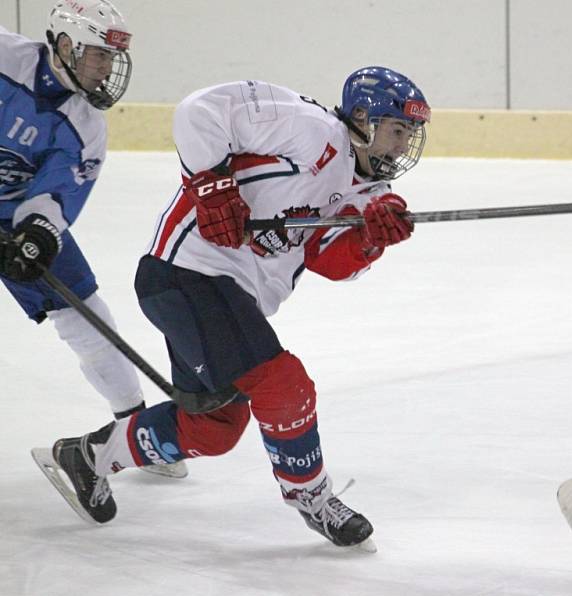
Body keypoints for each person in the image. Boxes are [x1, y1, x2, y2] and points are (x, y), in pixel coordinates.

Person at [34, 66, 431, 549]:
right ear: (364, 117)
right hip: (186, 272)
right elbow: (198, 111)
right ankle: (312, 496)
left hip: (225, 296)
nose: (402, 146)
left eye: (411, 135)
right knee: (284, 384)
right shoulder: (308, 129)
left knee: (215, 425)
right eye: (396, 131)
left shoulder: (372, 196)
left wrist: (369, 240)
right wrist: (212, 185)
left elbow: (331, 263)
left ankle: (89, 456)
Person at [1, 1, 185, 477]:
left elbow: (56, 195)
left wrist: (37, 234)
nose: (107, 69)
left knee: (85, 314)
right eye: (99, 55)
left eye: (111, 58)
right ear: (65, 45)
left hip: (11, 210)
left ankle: (134, 427)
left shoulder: (86, 126)